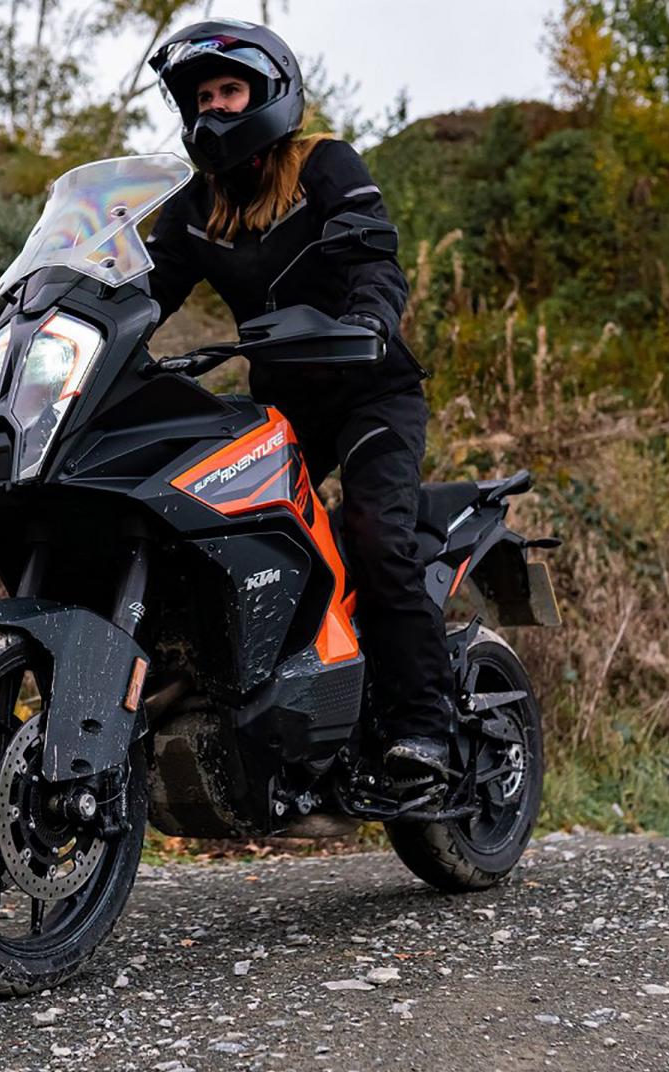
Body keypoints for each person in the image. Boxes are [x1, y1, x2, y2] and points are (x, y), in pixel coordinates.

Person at [146, 19, 455, 797]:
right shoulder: (195, 204)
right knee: (213, 535)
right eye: (203, 97)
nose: (215, 107)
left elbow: (373, 257)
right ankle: (275, 714)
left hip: (371, 388)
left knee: (375, 538)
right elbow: (146, 287)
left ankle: (424, 726)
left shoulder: (323, 165)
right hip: (282, 409)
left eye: (230, 90)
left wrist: (370, 317)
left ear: (269, 93)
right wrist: (75, 318)